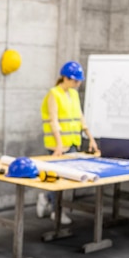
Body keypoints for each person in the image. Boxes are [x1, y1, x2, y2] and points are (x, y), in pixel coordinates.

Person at [36, 61, 98, 224]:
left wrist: (90, 138)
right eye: (75, 80)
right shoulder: (53, 94)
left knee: (66, 180)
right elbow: (53, 120)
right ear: (65, 78)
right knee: (58, 181)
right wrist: (58, 145)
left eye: (78, 81)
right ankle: (57, 211)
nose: (77, 84)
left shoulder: (74, 94)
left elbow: (80, 118)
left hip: (71, 144)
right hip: (57, 146)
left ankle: (46, 198)